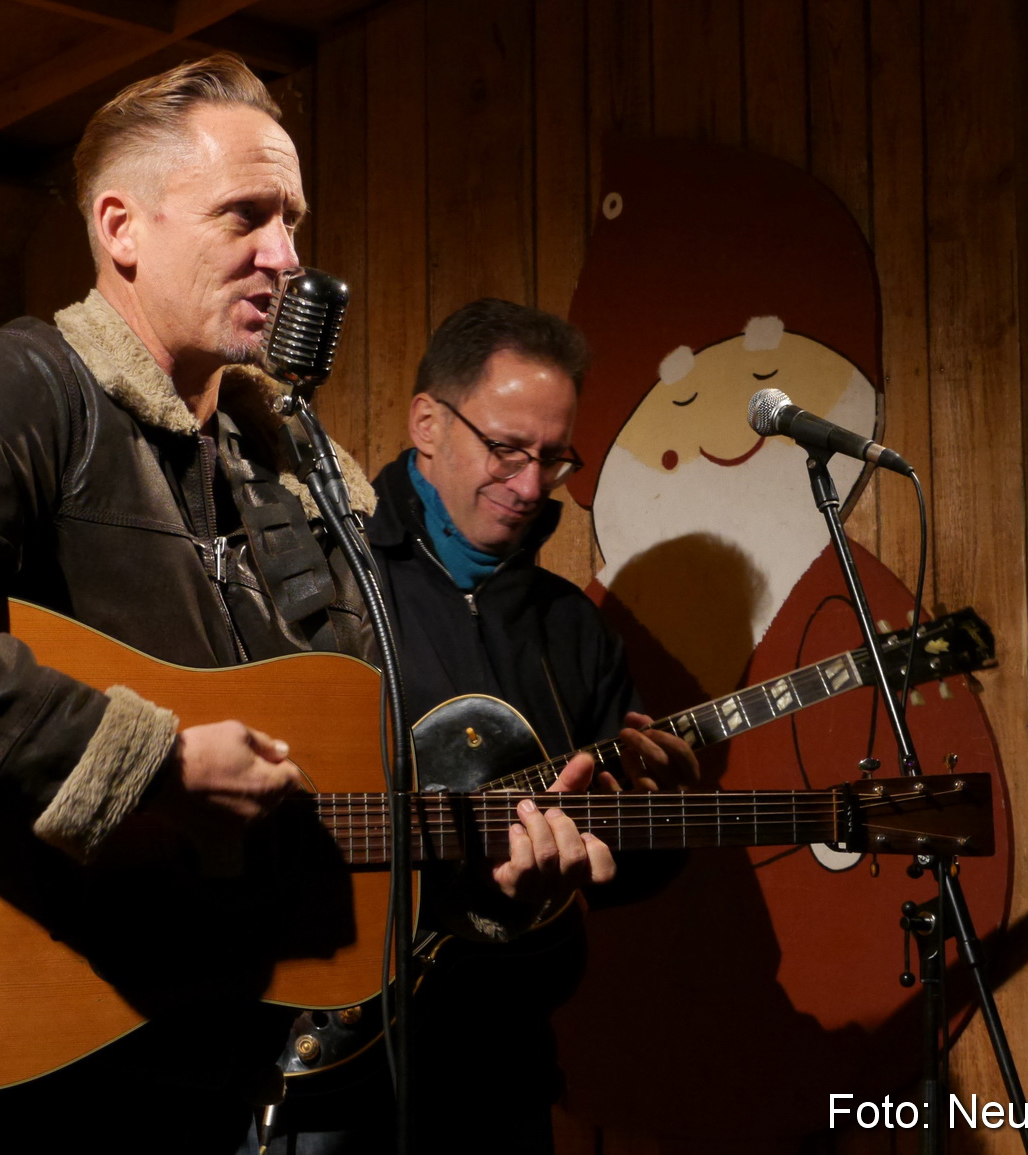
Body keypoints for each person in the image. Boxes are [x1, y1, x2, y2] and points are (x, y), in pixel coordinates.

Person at [0, 57, 604, 1155]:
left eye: (294, 221)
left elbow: (336, 803)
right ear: (121, 227)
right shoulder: (30, 388)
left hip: (222, 1070)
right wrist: (148, 765)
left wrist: (488, 881)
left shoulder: (295, 466)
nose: (287, 256)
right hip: (26, 1064)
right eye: (246, 216)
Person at [259, 299, 699, 1154]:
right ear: (427, 421)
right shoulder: (320, 575)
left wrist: (659, 818)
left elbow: (617, 859)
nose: (531, 487)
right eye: (506, 448)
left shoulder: (570, 630)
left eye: (554, 459)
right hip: (319, 1081)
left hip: (499, 1077)